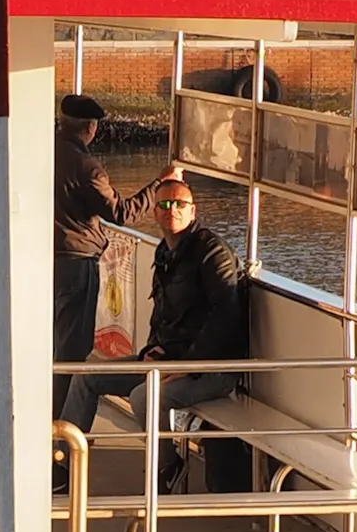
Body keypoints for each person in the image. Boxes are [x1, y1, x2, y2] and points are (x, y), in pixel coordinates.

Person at [134, 173, 256, 491]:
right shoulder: (164, 253)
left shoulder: (212, 253)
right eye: (164, 204)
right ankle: (62, 459)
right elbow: (160, 313)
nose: (171, 209)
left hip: (214, 369)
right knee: (87, 379)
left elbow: (225, 315)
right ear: (155, 211)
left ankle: (167, 471)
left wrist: (190, 364)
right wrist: (151, 349)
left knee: (146, 397)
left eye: (179, 203)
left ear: (193, 210)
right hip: (171, 358)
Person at [51, 92, 122, 384]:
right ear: (90, 128)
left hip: (47, 258)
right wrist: (160, 186)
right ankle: (59, 422)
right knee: (72, 348)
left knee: (50, 341)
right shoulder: (86, 166)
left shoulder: (45, 150)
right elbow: (119, 214)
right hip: (77, 262)